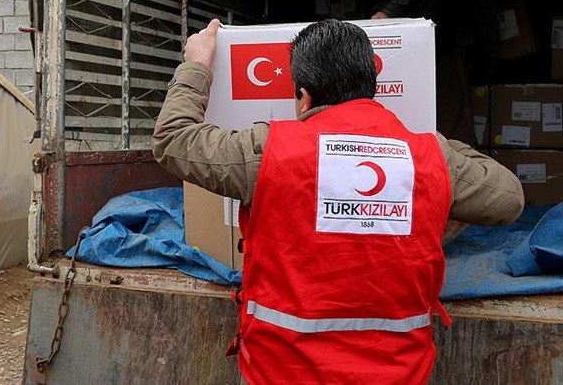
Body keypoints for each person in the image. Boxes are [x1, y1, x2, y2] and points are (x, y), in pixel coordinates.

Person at [152, 19, 523, 384]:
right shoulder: (429, 155)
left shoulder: (267, 152)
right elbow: (509, 198)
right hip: (399, 374)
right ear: (370, 86)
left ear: (303, 96)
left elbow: (173, 140)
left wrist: (197, 64)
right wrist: (433, 148)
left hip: (279, 372)